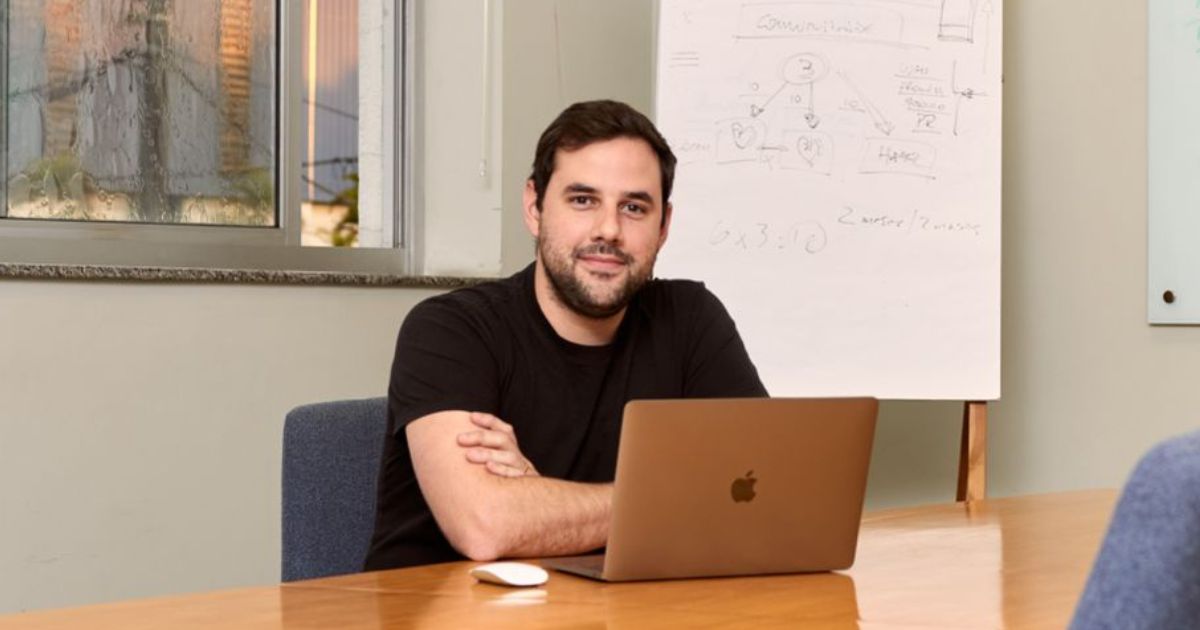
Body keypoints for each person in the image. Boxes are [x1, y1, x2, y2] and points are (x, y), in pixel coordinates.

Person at [364, 100, 767, 571]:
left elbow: (767, 491)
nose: (609, 230)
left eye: (634, 207)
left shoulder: (691, 319)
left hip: (610, 604)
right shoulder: (450, 330)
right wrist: (686, 494)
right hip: (440, 604)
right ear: (534, 208)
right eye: (582, 200)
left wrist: (538, 500)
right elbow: (487, 525)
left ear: (663, 227)